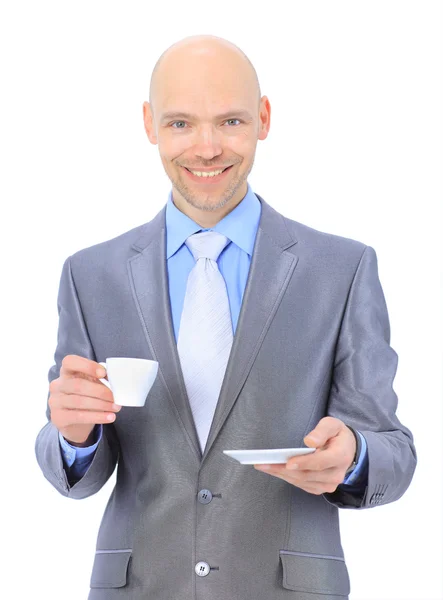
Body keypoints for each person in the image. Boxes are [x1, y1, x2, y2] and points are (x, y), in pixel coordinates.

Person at [35, 34, 417, 600]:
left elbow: (393, 450)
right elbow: (81, 473)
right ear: (149, 124)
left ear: (263, 118)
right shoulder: (90, 275)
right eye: (181, 124)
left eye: (231, 121)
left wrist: (354, 457)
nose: (207, 148)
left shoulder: (343, 268)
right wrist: (73, 435)